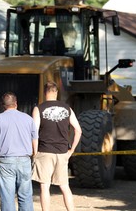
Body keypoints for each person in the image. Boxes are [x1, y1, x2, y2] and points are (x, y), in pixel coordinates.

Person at [32, 81, 82, 211]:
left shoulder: (38, 109)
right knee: (65, 186)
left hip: (44, 152)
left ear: (44, 93)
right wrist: (71, 150)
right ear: (56, 92)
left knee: (44, 187)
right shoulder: (67, 109)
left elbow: (34, 133)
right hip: (62, 152)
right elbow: (78, 130)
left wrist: (34, 152)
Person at [0, 92, 38, 211]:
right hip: (24, 160)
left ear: (3, 105)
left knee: (7, 197)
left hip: (6, 162)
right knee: (26, 196)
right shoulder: (28, 119)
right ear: (16, 103)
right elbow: (35, 140)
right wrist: (34, 154)